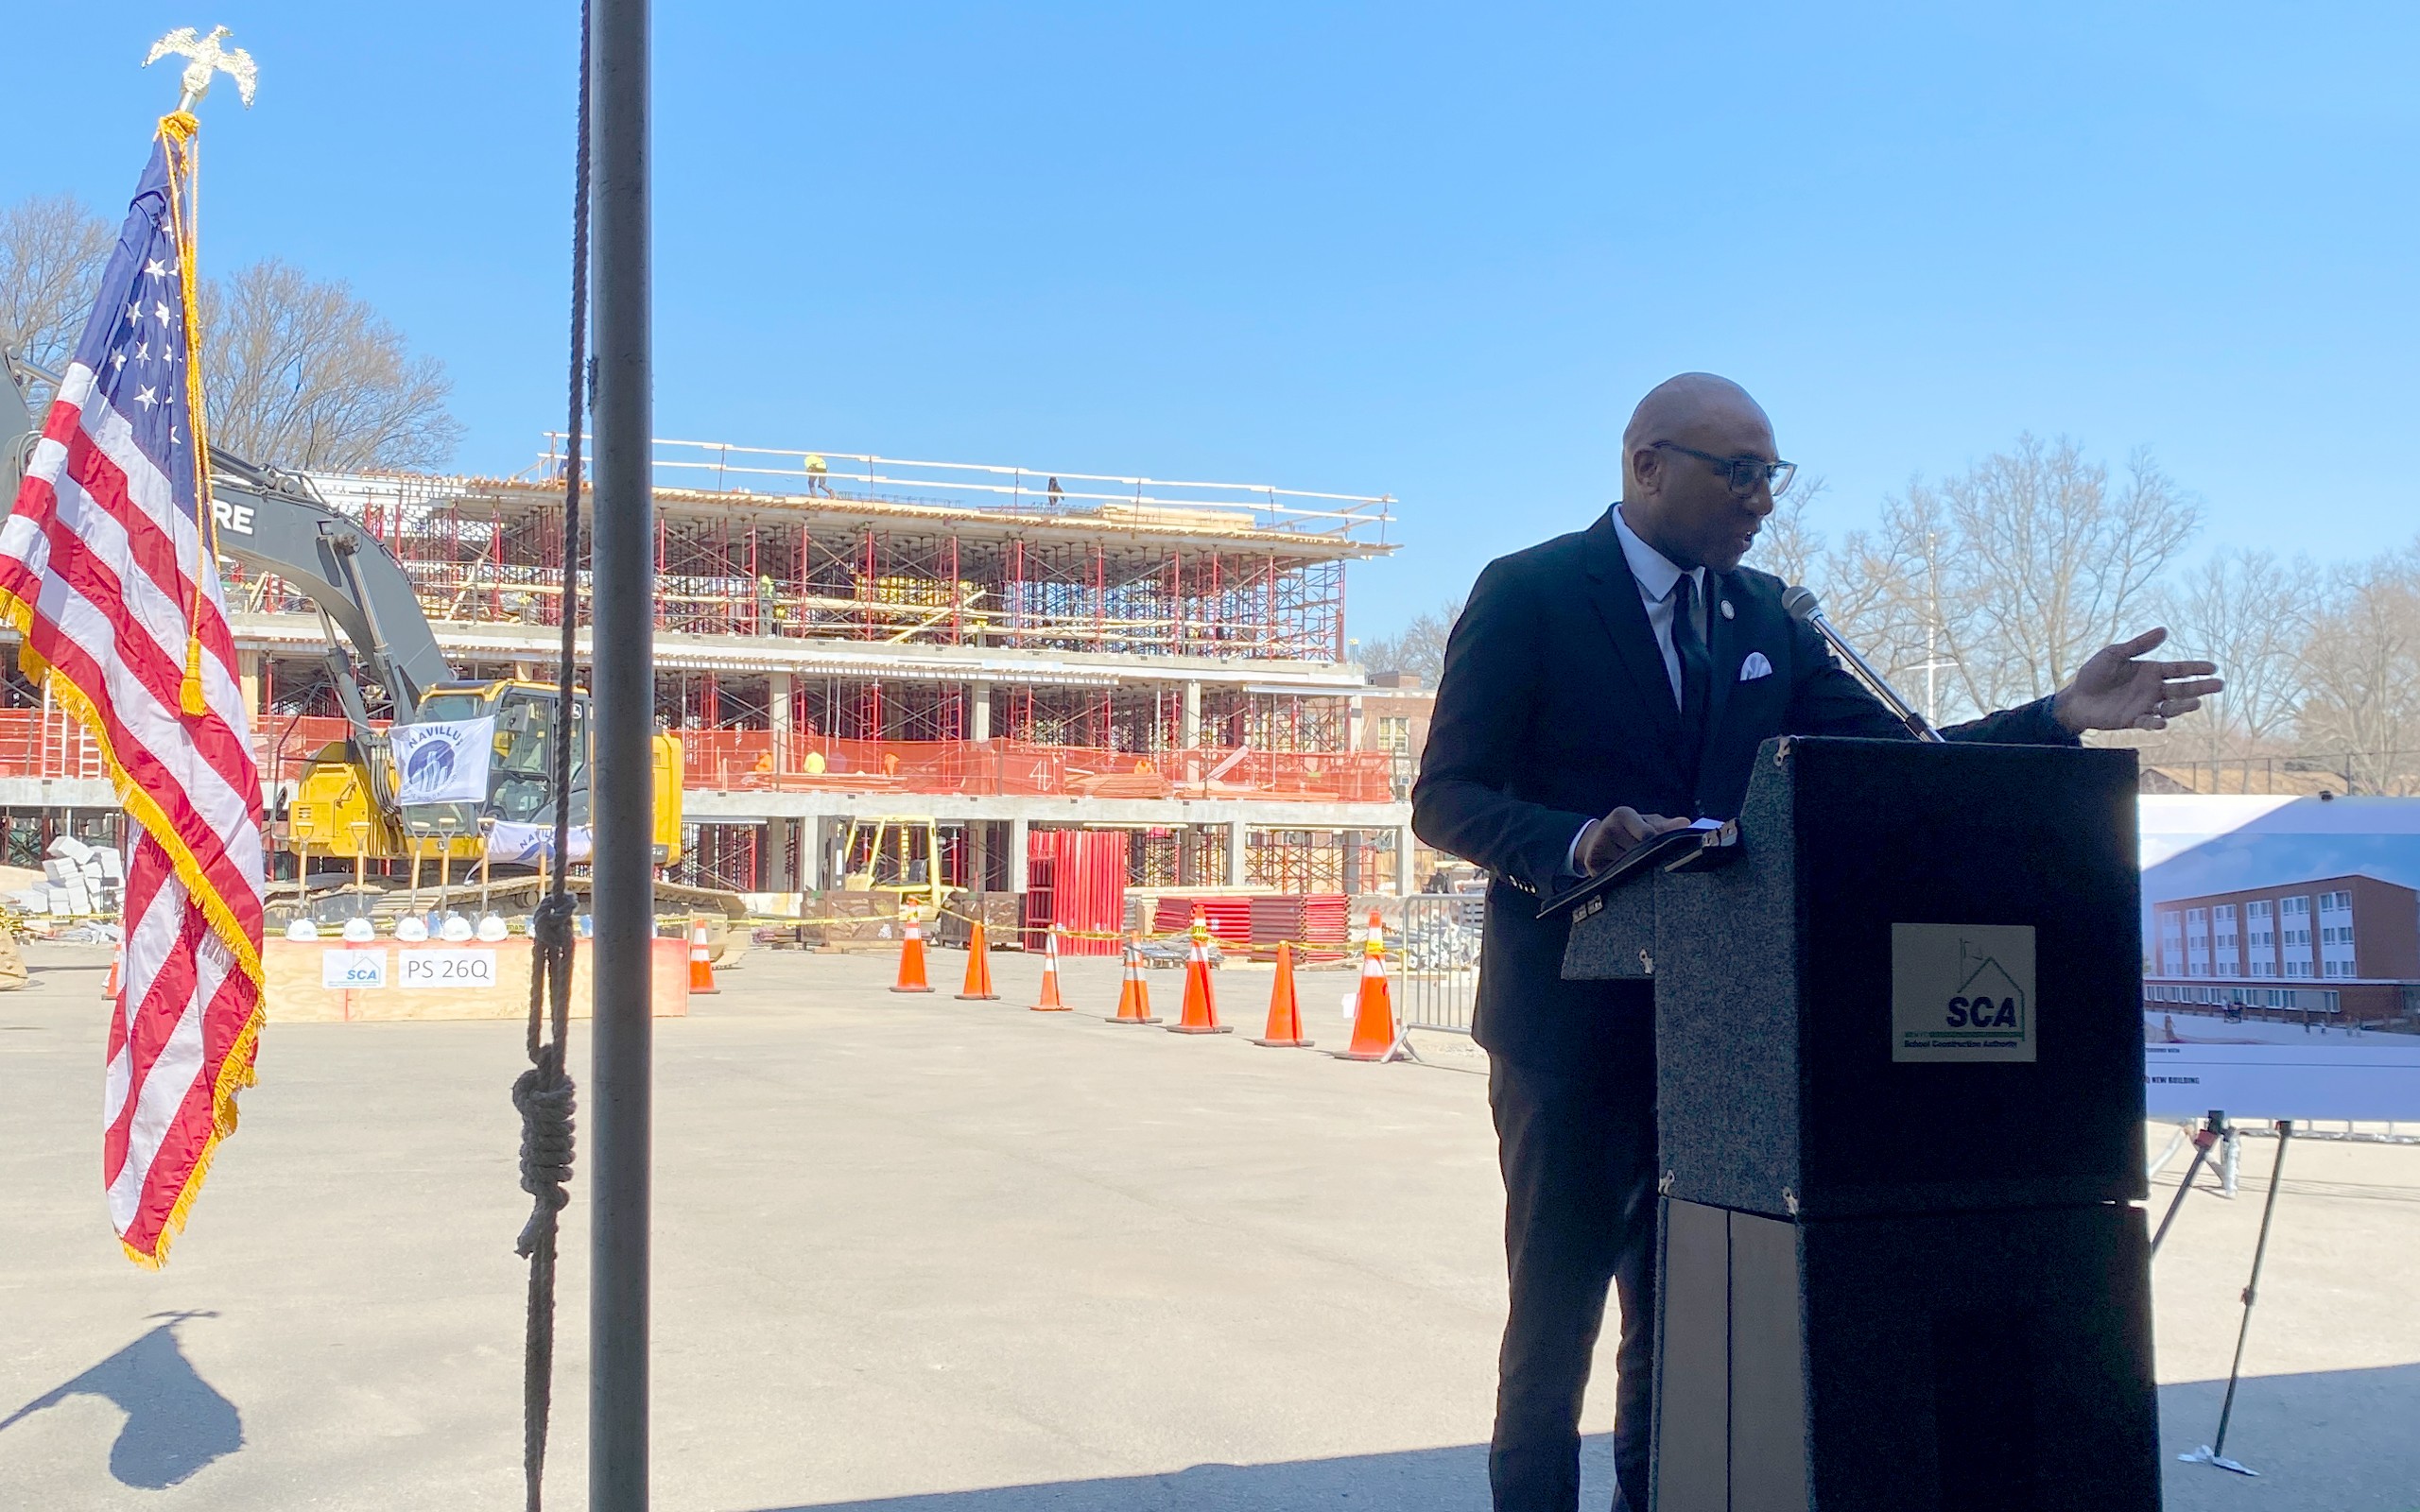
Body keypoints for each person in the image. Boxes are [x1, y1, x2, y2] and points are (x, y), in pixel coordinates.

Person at [1410, 372, 2221, 1512]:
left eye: (1770, 476)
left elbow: (1902, 757)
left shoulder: (1762, 618)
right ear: (1646, 464)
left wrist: (2058, 717)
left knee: (1677, 1313)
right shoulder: (1532, 592)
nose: (1762, 502)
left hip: (1719, 1022)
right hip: (1567, 1020)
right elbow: (1444, 796)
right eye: (1738, 473)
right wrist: (1583, 839)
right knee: (1554, 1320)